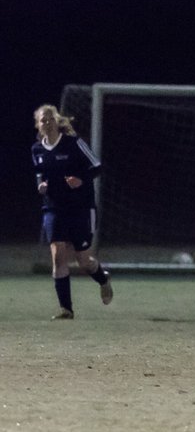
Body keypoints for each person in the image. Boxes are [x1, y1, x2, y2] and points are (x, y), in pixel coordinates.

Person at [31, 104, 113, 319]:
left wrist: (81, 180)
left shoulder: (74, 143)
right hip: (53, 208)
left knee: (84, 261)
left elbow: (97, 166)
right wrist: (41, 185)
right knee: (58, 256)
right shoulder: (37, 150)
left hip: (80, 208)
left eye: (50, 119)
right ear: (37, 125)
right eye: (42, 120)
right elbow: (39, 173)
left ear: (57, 121)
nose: (47, 123)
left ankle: (103, 279)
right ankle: (66, 309)